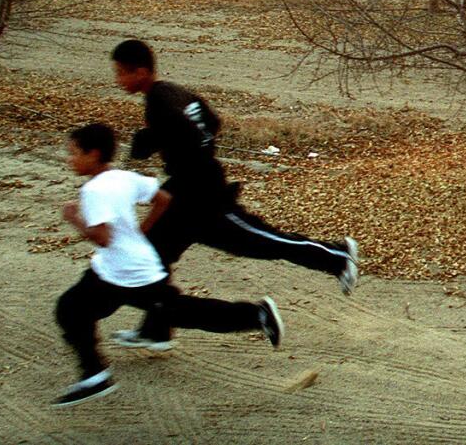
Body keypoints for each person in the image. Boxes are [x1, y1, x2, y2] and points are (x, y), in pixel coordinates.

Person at [109, 40, 358, 350]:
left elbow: (180, 132)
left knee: (261, 241)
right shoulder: (174, 91)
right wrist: (189, 147)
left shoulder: (159, 103)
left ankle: (337, 257)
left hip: (203, 194)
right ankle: (156, 328)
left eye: (121, 73)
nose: (118, 80)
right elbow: (212, 122)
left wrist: (147, 141)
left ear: (142, 71)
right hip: (183, 193)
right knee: (153, 255)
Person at [53, 123, 283, 407]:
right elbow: (163, 199)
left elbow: (103, 238)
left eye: (74, 152)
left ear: (94, 154)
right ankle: (257, 315)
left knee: (69, 310)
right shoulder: (124, 177)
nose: (69, 158)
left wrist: (74, 217)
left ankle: (94, 373)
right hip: (138, 266)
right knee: (181, 312)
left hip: (119, 274)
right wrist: (141, 232)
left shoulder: (93, 191)